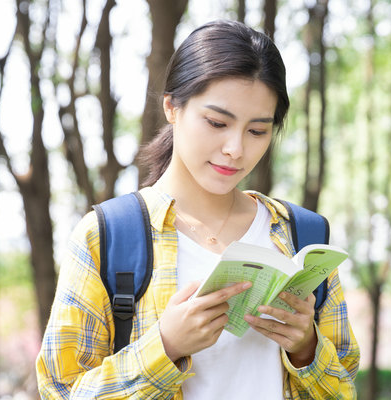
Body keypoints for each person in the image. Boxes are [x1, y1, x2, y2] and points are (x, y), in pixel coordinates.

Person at [36, 19, 360, 399]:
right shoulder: (107, 236)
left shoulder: (301, 235)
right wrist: (166, 347)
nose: (235, 149)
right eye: (217, 122)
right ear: (172, 107)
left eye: (257, 131)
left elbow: (344, 388)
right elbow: (61, 391)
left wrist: (306, 350)